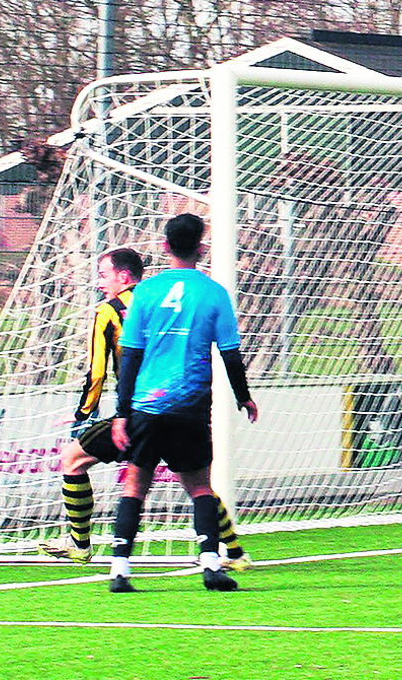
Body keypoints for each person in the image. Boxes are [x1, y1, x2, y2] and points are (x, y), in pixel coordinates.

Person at [40, 247, 250, 569]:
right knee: (197, 485)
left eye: (104, 275)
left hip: (139, 411)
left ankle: (82, 545)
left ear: (123, 276)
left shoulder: (110, 311)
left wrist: (84, 413)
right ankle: (233, 552)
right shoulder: (162, 302)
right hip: (182, 405)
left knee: (74, 459)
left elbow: (97, 372)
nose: (100, 283)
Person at [107, 214, 258, 593]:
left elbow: (131, 356)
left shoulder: (145, 292)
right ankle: (210, 562)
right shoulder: (213, 293)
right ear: (201, 249)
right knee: (200, 487)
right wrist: (244, 396)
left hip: (146, 405)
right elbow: (230, 354)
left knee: (136, 485)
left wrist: (122, 413)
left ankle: (120, 568)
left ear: (165, 247)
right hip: (189, 406)